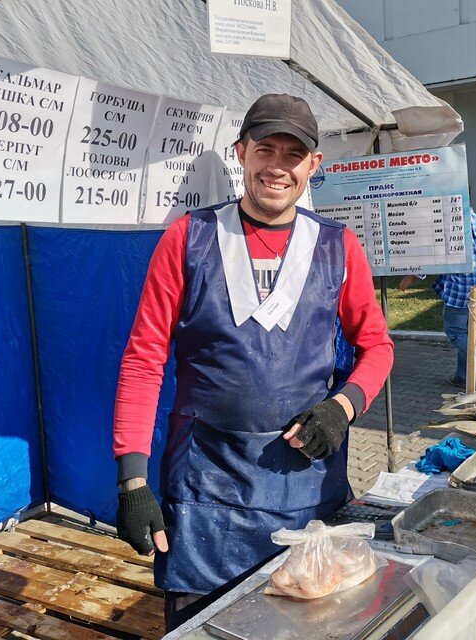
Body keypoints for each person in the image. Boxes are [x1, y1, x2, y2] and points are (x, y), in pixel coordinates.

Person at [111, 94, 393, 631]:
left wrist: (343, 406)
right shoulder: (187, 238)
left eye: (294, 154)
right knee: (201, 626)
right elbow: (144, 358)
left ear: (314, 165)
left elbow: (377, 346)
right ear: (241, 153)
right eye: (265, 149)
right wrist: (132, 480)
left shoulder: (337, 246)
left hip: (305, 484)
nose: (277, 166)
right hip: (204, 490)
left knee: (308, 623)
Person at [399, 209, 476, 388]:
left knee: (455, 333)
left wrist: (411, 277)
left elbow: (433, 255)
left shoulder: (448, 223)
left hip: (459, 290)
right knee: (468, 334)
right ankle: (462, 377)